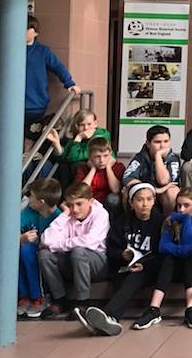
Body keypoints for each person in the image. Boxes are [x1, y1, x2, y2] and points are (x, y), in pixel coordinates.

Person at [75, 183, 165, 336]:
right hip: (125, 267)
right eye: (140, 200)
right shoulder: (121, 221)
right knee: (121, 279)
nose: (145, 204)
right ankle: (110, 320)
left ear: (154, 200)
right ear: (131, 203)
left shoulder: (160, 222)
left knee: (134, 278)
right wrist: (121, 254)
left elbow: (163, 255)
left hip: (149, 269)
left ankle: (109, 315)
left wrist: (145, 265)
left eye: (149, 199)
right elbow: (111, 248)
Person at [134, 187, 192, 330]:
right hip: (174, 266)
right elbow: (163, 246)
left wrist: (185, 221)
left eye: (186, 205)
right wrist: (183, 249)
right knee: (169, 258)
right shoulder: (170, 220)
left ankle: (191, 309)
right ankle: (154, 309)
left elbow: (189, 244)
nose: (181, 209)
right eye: (178, 205)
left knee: (189, 258)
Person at [38, 183, 110, 319]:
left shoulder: (101, 214)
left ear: (91, 201)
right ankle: (60, 300)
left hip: (98, 263)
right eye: (70, 205)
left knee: (78, 251)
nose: (74, 209)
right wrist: (64, 215)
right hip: (72, 261)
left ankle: (83, 302)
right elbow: (45, 241)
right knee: (44, 255)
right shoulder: (68, 216)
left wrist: (59, 245)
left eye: (79, 204)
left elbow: (89, 242)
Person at [25, 15, 80, 149]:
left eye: (27, 28)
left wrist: (70, 83)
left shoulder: (43, 51)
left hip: (36, 104)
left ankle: (29, 166)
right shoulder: (10, 50)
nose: (23, 31)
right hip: (12, 106)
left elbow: (58, 67)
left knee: (32, 139)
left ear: (36, 32)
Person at [17, 178, 63, 318]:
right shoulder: (28, 212)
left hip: (49, 255)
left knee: (28, 250)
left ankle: (39, 297)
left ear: (41, 202)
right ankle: (24, 296)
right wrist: (20, 238)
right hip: (29, 251)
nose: (28, 199)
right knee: (19, 249)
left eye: (31, 196)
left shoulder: (58, 218)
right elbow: (13, 229)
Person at [123, 125, 181, 213]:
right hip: (144, 194)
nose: (162, 146)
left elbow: (164, 181)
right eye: (158, 142)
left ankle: (169, 224)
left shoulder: (173, 158)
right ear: (148, 143)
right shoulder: (140, 157)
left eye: (166, 141)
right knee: (126, 191)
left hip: (163, 196)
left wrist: (158, 156)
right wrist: (153, 189)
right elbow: (127, 179)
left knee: (172, 192)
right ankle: (130, 224)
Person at [44, 109, 109, 188]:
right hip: (83, 170)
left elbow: (72, 157)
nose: (86, 128)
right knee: (63, 165)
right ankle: (65, 196)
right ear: (77, 126)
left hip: (99, 169)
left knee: (77, 165)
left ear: (95, 124)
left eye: (89, 124)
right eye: (82, 125)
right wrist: (56, 143)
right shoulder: (75, 138)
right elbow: (63, 158)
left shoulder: (101, 135)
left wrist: (79, 137)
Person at [74, 137, 125, 218]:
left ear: (110, 154)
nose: (102, 160)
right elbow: (81, 191)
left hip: (108, 204)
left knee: (114, 198)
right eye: (97, 156)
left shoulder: (118, 167)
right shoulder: (83, 168)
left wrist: (108, 168)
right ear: (90, 156)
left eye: (105, 156)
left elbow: (115, 189)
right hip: (90, 202)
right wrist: (92, 170)